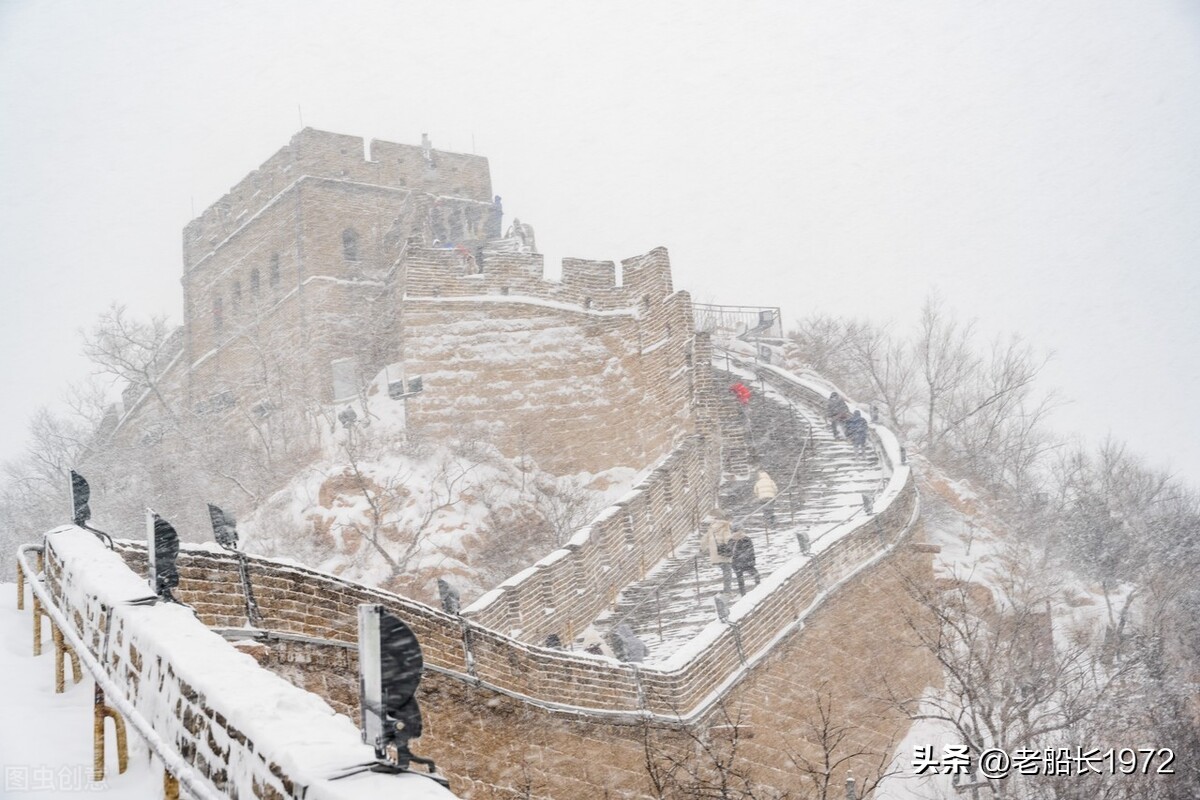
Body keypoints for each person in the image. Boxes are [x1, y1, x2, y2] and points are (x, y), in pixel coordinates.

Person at [702, 509, 733, 592]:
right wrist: (731, 546)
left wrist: (702, 549)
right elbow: (727, 538)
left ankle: (727, 588)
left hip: (716, 552)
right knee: (727, 571)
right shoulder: (725, 526)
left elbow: (704, 539)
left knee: (725, 570)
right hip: (725, 551)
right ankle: (727, 589)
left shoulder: (711, 528)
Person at [730, 527, 761, 596]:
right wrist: (752, 561)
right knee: (756, 575)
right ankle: (759, 589)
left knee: (740, 580)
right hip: (746, 562)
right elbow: (751, 551)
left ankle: (743, 594)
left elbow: (730, 552)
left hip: (737, 564)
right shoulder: (746, 539)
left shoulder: (731, 540)